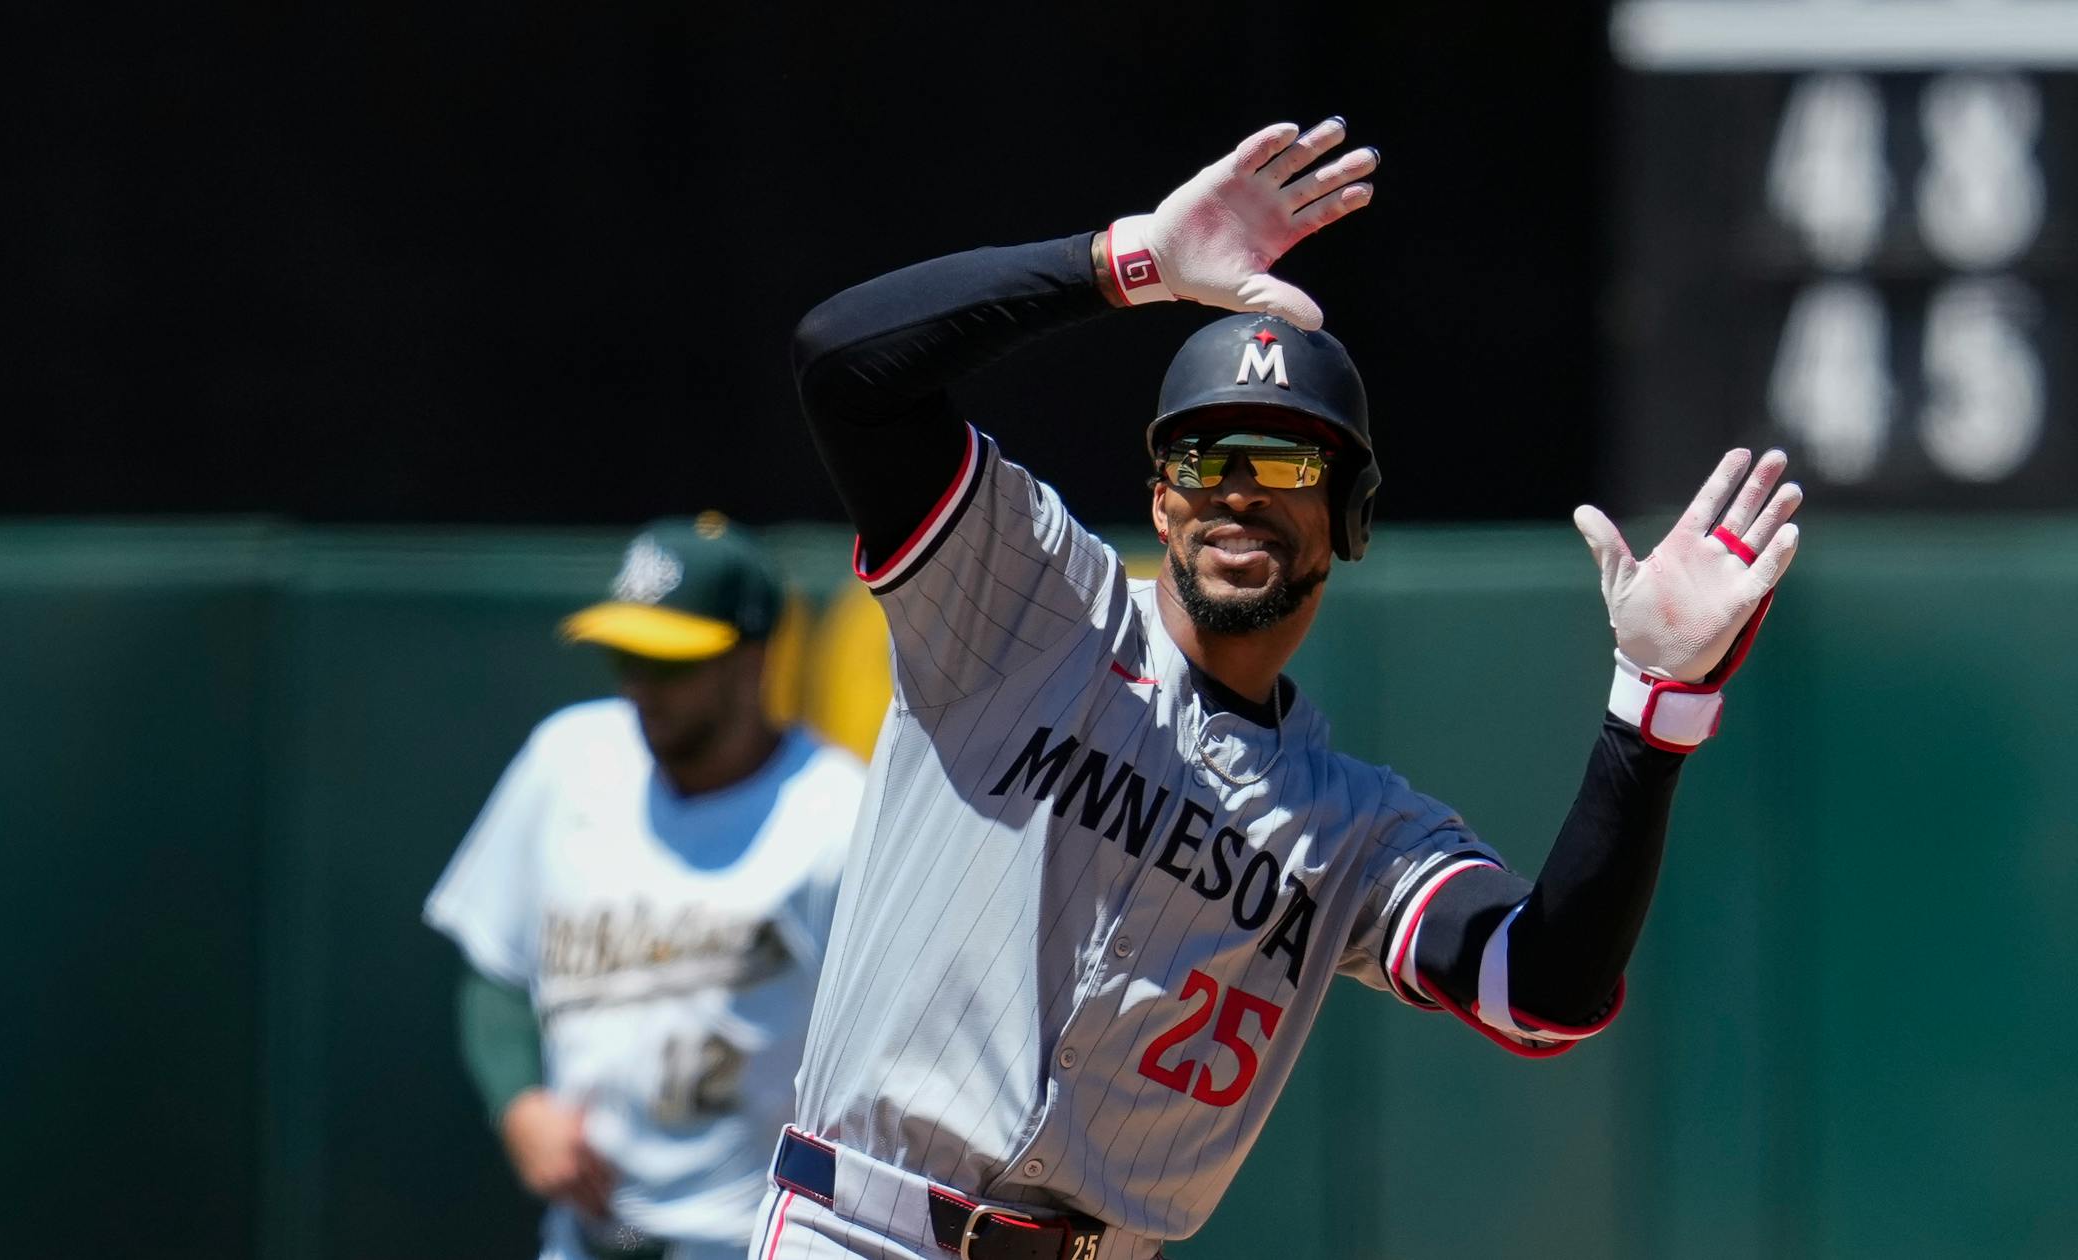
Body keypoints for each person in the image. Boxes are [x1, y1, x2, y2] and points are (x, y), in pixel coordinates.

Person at [752, 119, 1805, 1260]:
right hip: (862, 1229)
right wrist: (1129, 261)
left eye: (1291, 461)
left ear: (1348, 518)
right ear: (1162, 501)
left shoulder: (1354, 830)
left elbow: (1541, 989)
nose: (1242, 492)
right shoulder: (1026, 595)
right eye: (1208, 459)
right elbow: (843, 367)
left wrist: (1653, 705)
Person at [425, 513, 867, 1260]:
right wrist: (519, 1105)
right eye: (627, 655)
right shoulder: (569, 759)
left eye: (671, 663)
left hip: (753, 1240)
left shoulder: (838, 814)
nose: (641, 684)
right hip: (595, 1237)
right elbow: (494, 964)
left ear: (750, 659)